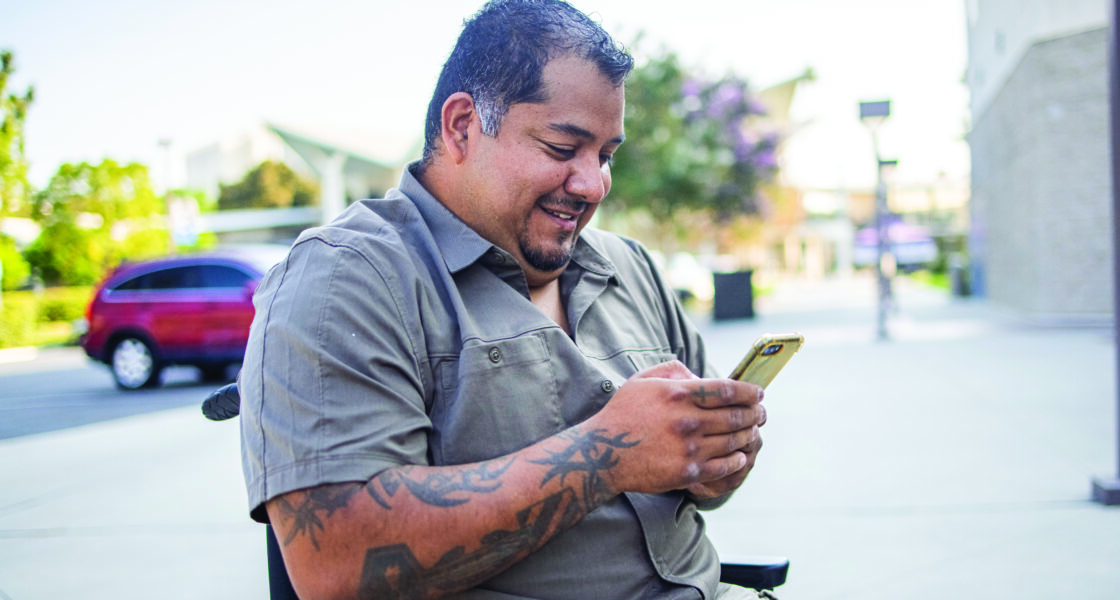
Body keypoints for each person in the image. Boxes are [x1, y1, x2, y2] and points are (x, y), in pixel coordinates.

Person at [238, 1, 769, 598]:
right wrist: (607, 454)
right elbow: (335, 565)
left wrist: (717, 457)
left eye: (606, 155)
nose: (593, 184)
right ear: (463, 125)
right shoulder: (346, 279)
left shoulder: (630, 266)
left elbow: (704, 482)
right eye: (562, 147)